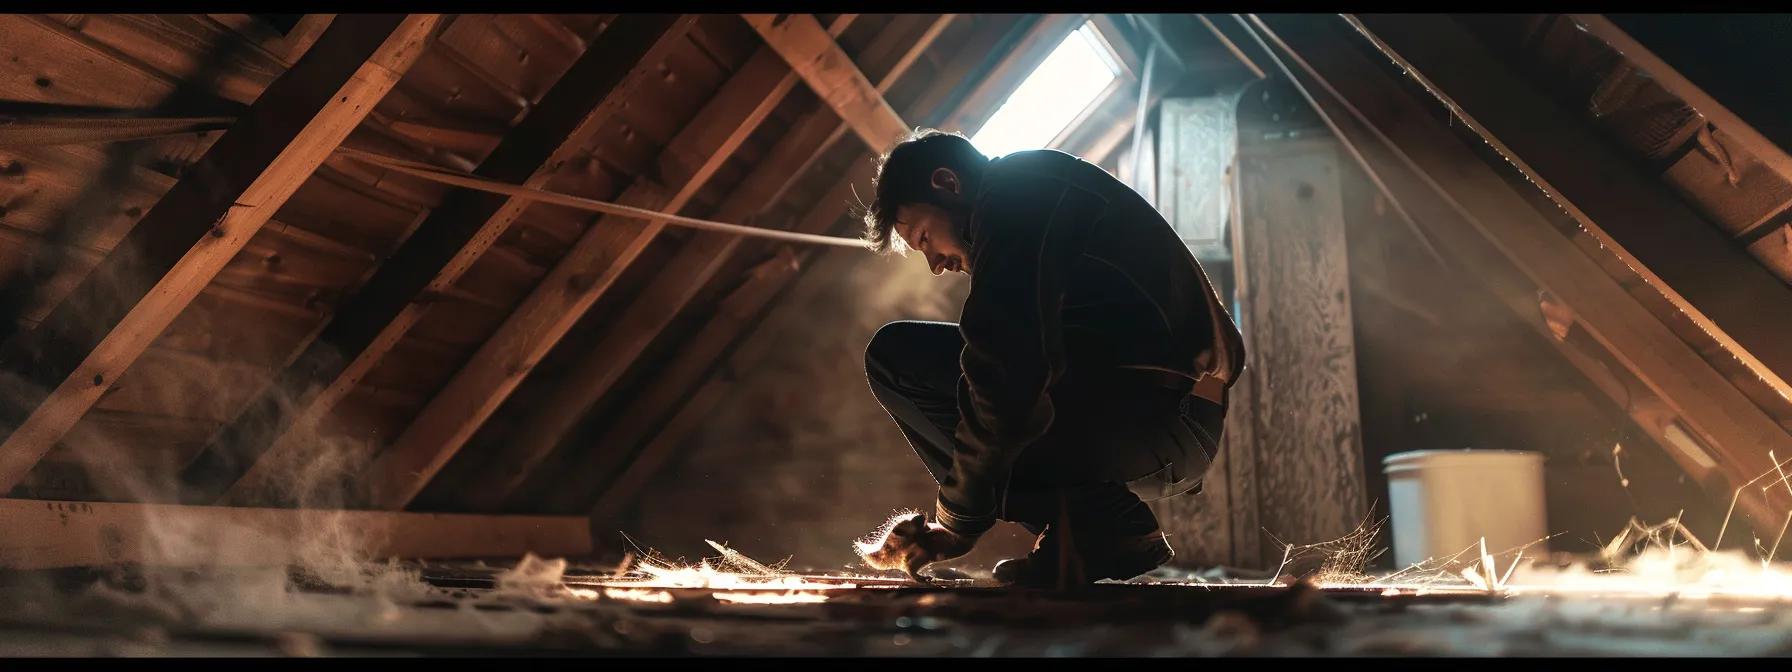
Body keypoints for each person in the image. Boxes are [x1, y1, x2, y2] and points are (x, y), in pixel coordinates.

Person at [858, 129, 1246, 587]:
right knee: (990, 379)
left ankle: (1098, 522)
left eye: (924, 238)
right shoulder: (1037, 194)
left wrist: (959, 520)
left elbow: (1005, 372)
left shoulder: (1015, 191)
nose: (936, 264)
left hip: (1152, 417)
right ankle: (1095, 524)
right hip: (1170, 425)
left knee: (898, 358)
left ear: (948, 183)